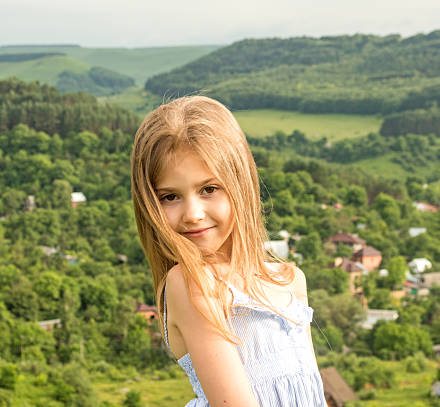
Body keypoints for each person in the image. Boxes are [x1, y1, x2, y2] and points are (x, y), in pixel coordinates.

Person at [131, 96, 326, 407]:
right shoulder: (192, 283)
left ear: (241, 184)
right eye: (170, 196)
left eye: (208, 189)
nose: (192, 213)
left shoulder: (290, 280)